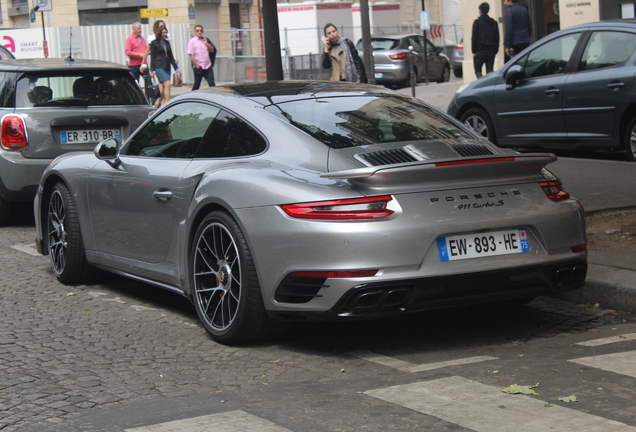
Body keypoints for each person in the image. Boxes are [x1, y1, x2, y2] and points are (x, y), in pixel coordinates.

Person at [149, 27, 181, 107]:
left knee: (163, 87)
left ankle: (158, 102)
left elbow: (170, 56)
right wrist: (152, 70)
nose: (165, 34)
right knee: (167, 84)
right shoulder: (154, 43)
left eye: (165, 33)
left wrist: (176, 67)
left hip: (167, 66)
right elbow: (152, 57)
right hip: (159, 66)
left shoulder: (167, 43)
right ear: (159, 33)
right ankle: (168, 103)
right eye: (163, 33)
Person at [471, 2, 499, 78]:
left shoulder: (477, 22)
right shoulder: (494, 23)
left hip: (479, 50)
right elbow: (497, 38)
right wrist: (495, 50)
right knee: (490, 72)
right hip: (491, 51)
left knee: (478, 71)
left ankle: (481, 83)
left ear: (480, 11)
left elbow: (474, 38)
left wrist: (474, 51)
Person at [187, 25, 216, 90]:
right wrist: (197, 66)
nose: (199, 32)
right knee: (197, 85)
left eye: (201, 30)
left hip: (207, 66)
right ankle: (192, 97)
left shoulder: (205, 40)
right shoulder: (192, 41)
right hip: (199, 66)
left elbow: (212, 50)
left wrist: (206, 44)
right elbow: (191, 55)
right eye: (197, 31)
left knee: (212, 84)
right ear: (195, 32)